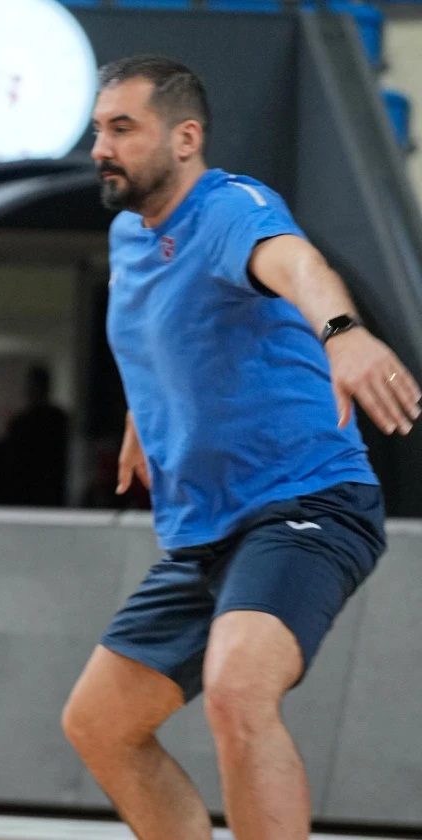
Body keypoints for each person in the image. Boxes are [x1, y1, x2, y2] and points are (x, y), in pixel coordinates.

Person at [60, 56, 421, 840]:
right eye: (97, 130)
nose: (101, 148)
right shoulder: (128, 236)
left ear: (185, 138)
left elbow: (297, 263)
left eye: (122, 128)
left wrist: (343, 332)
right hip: (204, 533)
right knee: (99, 723)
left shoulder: (230, 208)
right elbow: (159, 334)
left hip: (305, 503)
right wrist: (144, 417)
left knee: (236, 692)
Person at [2, 366, 68, 506]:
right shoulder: (57, 420)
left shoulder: (56, 421)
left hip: (46, 494)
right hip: (32, 495)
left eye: (35, 387)